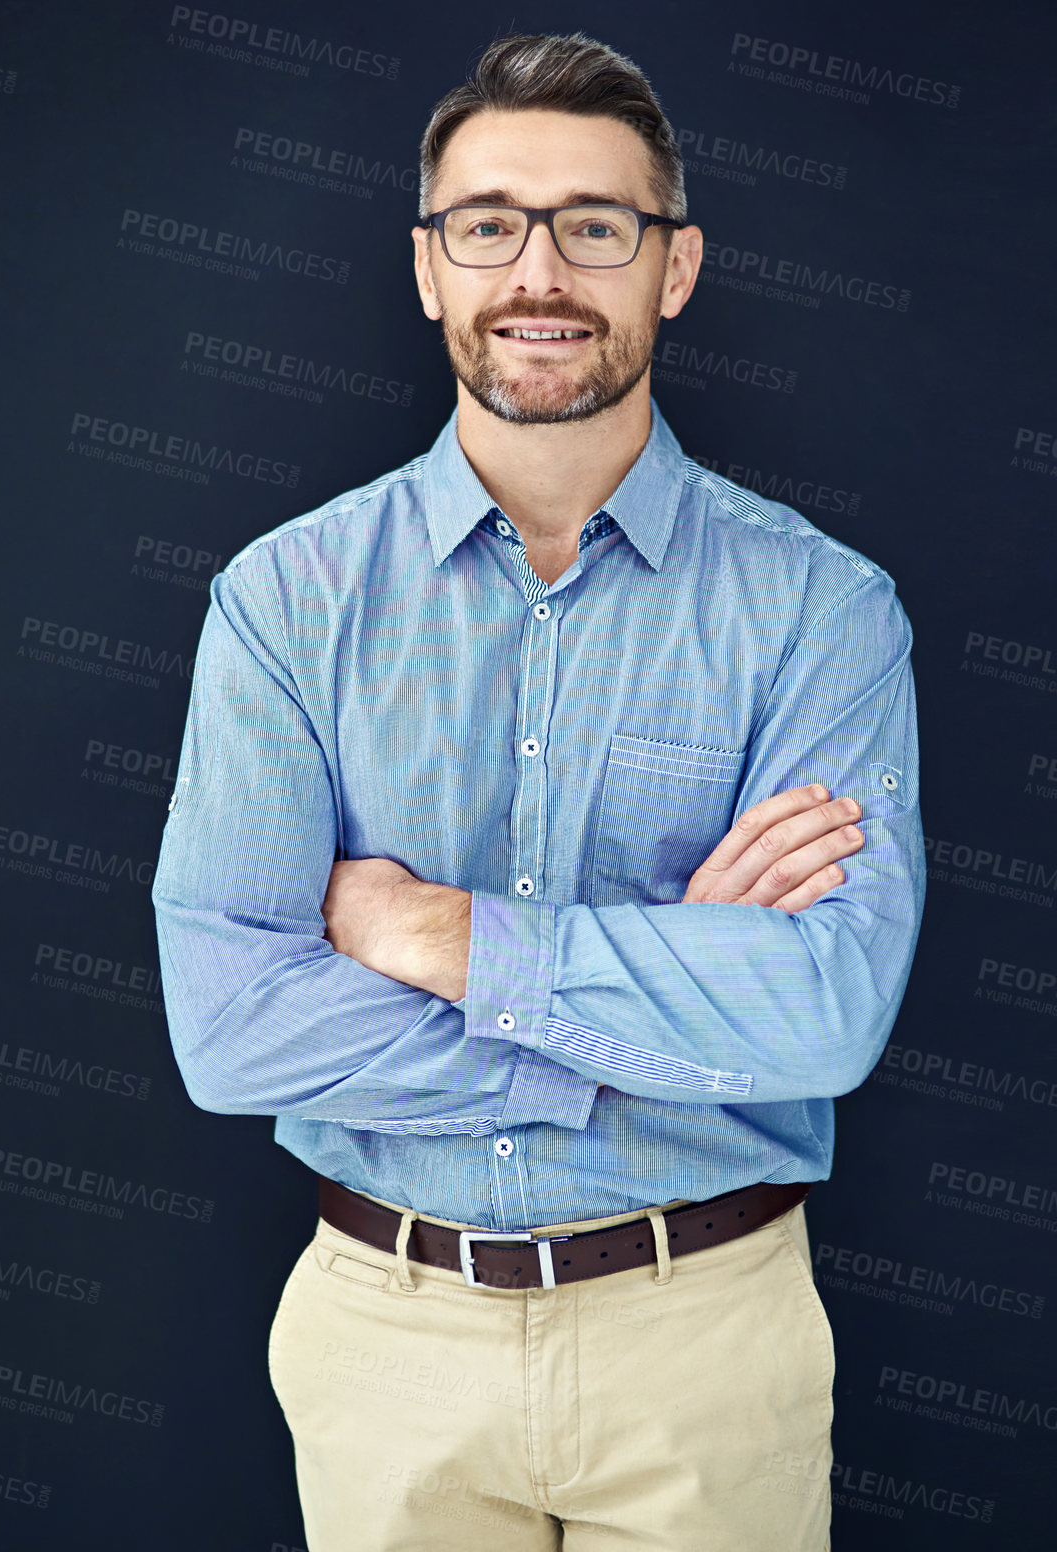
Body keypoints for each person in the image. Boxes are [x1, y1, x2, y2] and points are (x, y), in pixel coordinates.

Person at [152, 30, 924, 1551]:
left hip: (708, 1342)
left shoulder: (823, 613)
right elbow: (232, 1030)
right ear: (432, 268)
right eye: (490, 225)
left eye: (598, 226)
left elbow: (824, 1016)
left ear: (674, 267)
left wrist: (440, 939)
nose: (542, 274)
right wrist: (656, 1000)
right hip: (386, 1341)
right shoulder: (284, 603)